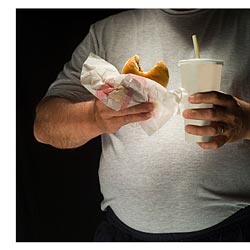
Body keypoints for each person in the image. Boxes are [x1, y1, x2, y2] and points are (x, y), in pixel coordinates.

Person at [33, 9, 250, 241]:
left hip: (235, 231)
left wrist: (246, 121)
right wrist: (94, 117)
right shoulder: (106, 32)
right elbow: (45, 127)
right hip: (122, 236)